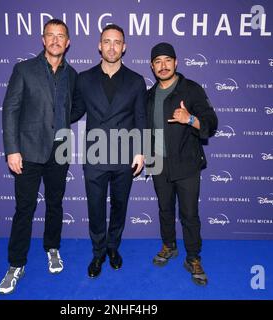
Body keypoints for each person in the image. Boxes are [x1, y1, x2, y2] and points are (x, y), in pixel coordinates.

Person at [0, 19, 77, 294]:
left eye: (61, 36)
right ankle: (16, 263)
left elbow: (73, 109)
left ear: (67, 42)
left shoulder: (72, 74)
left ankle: (52, 248)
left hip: (59, 151)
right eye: (50, 35)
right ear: (43, 40)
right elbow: (10, 110)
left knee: (55, 204)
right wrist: (12, 149)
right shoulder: (24, 69)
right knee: (25, 209)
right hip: (28, 151)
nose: (56, 40)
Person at [71, 24, 146, 278]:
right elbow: (75, 111)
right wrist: (49, 112)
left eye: (117, 42)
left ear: (123, 47)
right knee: (95, 207)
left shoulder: (136, 81)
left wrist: (140, 151)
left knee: (119, 205)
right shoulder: (84, 79)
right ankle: (98, 252)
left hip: (125, 155)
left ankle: (113, 247)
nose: (112, 46)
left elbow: (140, 118)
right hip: (95, 155)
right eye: (107, 41)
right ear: (99, 46)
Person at [146, 42, 218, 286]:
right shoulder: (149, 95)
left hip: (186, 164)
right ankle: (169, 246)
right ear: (152, 66)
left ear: (176, 63)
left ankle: (193, 257)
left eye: (167, 60)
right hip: (158, 164)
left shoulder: (191, 90)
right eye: (158, 61)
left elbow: (211, 122)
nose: (163, 66)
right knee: (165, 209)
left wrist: (190, 119)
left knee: (189, 214)